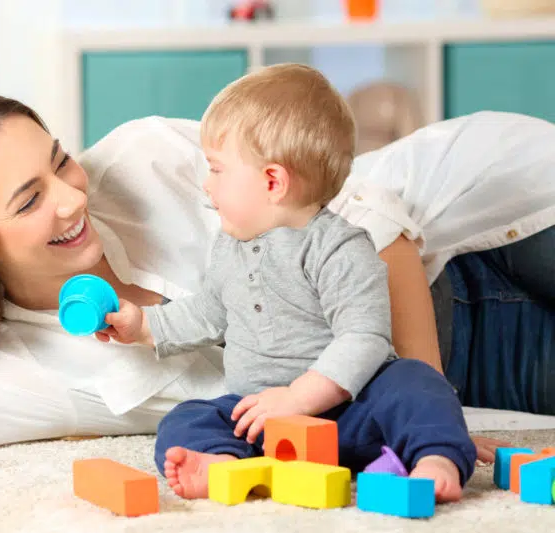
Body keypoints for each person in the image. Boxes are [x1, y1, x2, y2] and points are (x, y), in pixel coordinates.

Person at [0, 90, 553, 473]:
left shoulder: (145, 157)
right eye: (30, 198)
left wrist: (431, 408)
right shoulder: (22, 368)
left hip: (474, 232)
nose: (72, 197)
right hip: (485, 352)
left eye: (58, 160)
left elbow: (376, 225)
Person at [99, 64, 475, 502]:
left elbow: (365, 338)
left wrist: (300, 397)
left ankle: (436, 458)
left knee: (413, 382)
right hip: (262, 417)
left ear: (273, 182)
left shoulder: (340, 247)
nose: (206, 184)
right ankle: (225, 464)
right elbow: (208, 312)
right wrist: (143, 326)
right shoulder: (229, 247)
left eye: (218, 170)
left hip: (351, 412)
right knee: (187, 419)